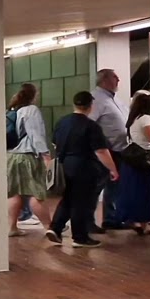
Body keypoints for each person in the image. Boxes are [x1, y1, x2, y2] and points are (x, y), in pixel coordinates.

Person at [47, 91, 119, 248]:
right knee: (81, 202)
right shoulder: (91, 126)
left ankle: (55, 228)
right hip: (84, 167)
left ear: (74, 104)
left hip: (65, 165)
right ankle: (80, 237)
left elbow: (54, 143)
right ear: (90, 106)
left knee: (68, 198)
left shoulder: (62, 122)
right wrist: (112, 168)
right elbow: (101, 151)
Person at [5, 83, 53, 237]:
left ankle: (12, 227)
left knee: (14, 193)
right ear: (34, 95)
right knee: (36, 193)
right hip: (27, 156)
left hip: (11, 156)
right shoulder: (31, 110)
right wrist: (46, 155)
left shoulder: (12, 110)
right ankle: (50, 227)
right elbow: (35, 135)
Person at [90, 68, 129, 230]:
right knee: (97, 186)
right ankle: (88, 222)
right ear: (104, 80)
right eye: (114, 77)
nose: (118, 79)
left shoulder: (114, 99)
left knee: (114, 186)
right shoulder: (96, 99)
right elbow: (89, 124)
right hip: (105, 151)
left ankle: (111, 219)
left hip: (120, 150)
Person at [118, 91, 150, 235]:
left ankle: (138, 221)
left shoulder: (134, 119)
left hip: (133, 160)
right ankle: (147, 222)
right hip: (144, 160)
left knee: (136, 192)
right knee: (147, 192)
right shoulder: (147, 119)